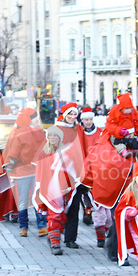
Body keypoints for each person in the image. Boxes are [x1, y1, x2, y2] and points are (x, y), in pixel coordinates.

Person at [33, 126, 78, 255]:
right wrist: (40, 187)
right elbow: (40, 171)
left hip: (63, 189)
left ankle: (53, 236)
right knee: (54, 215)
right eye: (50, 136)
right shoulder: (44, 153)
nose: (52, 138)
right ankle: (55, 244)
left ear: (59, 138)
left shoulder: (66, 152)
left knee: (62, 216)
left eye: (55, 136)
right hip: (49, 189)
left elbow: (70, 170)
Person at [2, 108, 47, 236]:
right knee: (35, 199)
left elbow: (13, 153)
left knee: (24, 200)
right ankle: (40, 225)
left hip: (25, 172)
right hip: (31, 171)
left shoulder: (20, 133)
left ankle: (25, 227)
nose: (37, 119)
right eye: (34, 117)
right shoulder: (36, 132)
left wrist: (10, 163)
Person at [55, 103, 87, 249]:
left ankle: (70, 238)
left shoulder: (79, 129)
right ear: (65, 115)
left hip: (77, 173)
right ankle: (55, 234)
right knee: (58, 206)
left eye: (75, 114)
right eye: (70, 114)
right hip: (61, 172)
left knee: (74, 207)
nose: (73, 117)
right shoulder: (57, 129)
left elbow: (84, 148)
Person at [105, 93, 138, 158]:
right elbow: (110, 125)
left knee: (136, 141)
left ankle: (135, 149)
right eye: (127, 108)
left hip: (131, 133)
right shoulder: (115, 111)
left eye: (130, 108)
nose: (129, 110)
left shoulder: (134, 112)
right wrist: (119, 131)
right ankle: (123, 151)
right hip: (119, 136)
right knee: (117, 143)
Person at [77, 107, 102, 226]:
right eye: (86, 120)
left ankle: (95, 211)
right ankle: (87, 211)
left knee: (94, 190)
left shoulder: (99, 132)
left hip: (96, 166)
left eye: (90, 119)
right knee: (84, 190)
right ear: (82, 120)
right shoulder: (78, 132)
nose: (88, 122)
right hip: (82, 166)